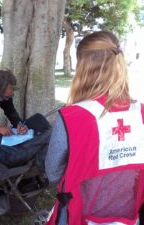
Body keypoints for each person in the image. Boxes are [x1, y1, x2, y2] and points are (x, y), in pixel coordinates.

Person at [45, 31, 144, 225]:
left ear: (84, 67)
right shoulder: (141, 114)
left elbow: (53, 174)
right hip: (130, 217)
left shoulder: (72, 117)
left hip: (78, 216)